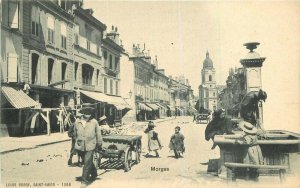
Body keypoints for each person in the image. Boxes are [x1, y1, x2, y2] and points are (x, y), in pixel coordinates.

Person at [74, 107, 102, 188]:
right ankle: (94, 173)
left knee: (86, 163)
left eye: (90, 113)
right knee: (87, 162)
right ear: (83, 113)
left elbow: (98, 134)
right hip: (80, 146)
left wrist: (99, 143)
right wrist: (76, 144)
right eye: (87, 113)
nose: (88, 115)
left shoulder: (94, 122)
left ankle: (84, 181)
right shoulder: (77, 122)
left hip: (91, 145)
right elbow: (75, 134)